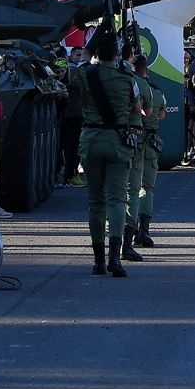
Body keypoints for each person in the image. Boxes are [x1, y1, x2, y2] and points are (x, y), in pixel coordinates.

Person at [78, 28, 141, 277]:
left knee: (95, 202)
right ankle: (115, 257)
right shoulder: (127, 78)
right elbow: (136, 111)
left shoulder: (85, 73)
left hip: (91, 140)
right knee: (117, 199)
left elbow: (82, 60)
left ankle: (98, 261)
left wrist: (90, 48)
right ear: (116, 54)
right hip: (117, 142)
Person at [129, 55, 166, 250]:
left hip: (133, 139)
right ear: (147, 70)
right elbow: (160, 115)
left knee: (132, 188)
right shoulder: (157, 91)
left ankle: (130, 229)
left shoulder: (128, 86)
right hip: (150, 141)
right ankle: (144, 229)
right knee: (147, 187)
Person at [59, 47, 87, 186]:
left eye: (82, 55)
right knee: (72, 146)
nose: (80, 57)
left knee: (72, 146)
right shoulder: (72, 69)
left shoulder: (74, 68)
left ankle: (70, 173)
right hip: (72, 113)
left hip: (74, 112)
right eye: (78, 55)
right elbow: (76, 83)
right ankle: (70, 175)